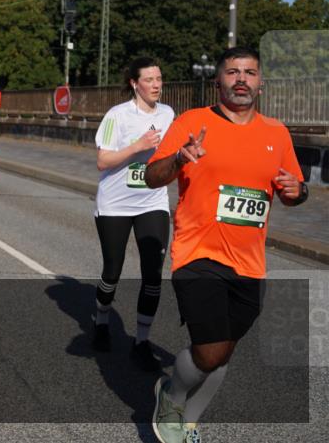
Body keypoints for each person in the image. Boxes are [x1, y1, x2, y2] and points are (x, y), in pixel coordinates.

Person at [146, 46, 306, 443]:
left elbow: (292, 190)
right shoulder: (193, 121)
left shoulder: (276, 133)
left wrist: (298, 191)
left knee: (223, 352)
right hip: (198, 253)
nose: (241, 79)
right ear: (218, 80)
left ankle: (189, 424)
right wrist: (179, 159)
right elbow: (152, 176)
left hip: (250, 263)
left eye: (249, 73)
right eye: (233, 72)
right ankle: (171, 395)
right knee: (211, 349)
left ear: (260, 83)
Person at [91, 57, 175, 370]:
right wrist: (138, 146)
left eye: (159, 79)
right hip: (115, 204)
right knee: (112, 270)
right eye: (149, 79)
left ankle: (141, 341)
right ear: (134, 83)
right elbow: (103, 161)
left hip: (152, 202)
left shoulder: (168, 114)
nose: (156, 85)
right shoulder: (117, 115)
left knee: (153, 273)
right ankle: (101, 321)